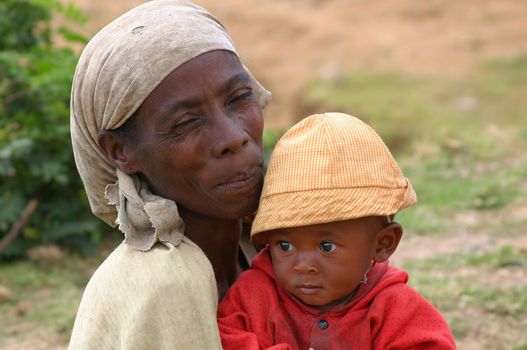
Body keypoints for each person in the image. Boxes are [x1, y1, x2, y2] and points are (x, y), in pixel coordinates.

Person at [68, 0, 271, 349]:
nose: (233, 138)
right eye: (186, 122)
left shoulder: (269, 248)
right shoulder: (166, 286)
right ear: (121, 152)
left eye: (238, 98)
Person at [217, 112, 457, 349]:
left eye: (326, 246)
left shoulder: (394, 306)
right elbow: (226, 337)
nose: (302, 265)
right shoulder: (255, 295)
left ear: (383, 243)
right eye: (285, 246)